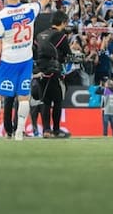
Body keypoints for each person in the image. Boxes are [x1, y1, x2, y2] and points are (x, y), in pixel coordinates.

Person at [0, 0, 59, 140]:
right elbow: (44, 0)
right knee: (24, 97)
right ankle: (19, 133)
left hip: (8, 60)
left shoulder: (1, 16)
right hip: (26, 60)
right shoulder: (29, 9)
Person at [33, 9, 71, 138]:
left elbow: (34, 52)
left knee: (45, 100)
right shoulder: (61, 36)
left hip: (39, 71)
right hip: (53, 71)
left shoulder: (39, 35)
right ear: (63, 22)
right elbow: (67, 54)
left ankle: (46, 130)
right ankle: (56, 130)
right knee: (58, 100)